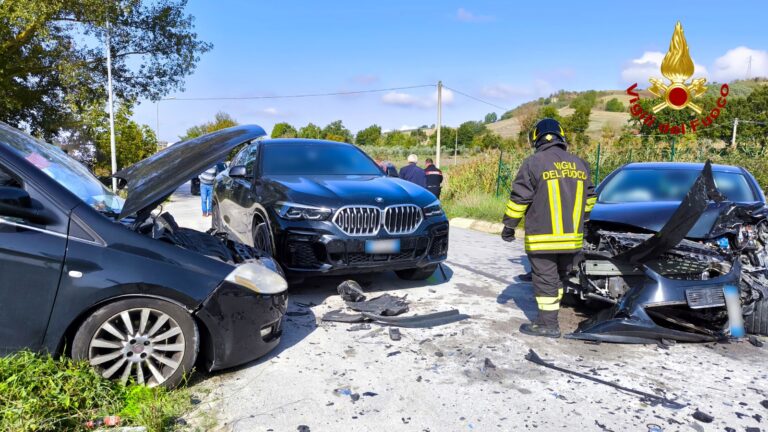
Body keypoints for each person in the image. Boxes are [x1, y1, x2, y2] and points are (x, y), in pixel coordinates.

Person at [501, 118, 596, 338]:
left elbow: (519, 199)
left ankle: (548, 324)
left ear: (536, 139)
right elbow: (590, 198)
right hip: (572, 240)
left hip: (543, 239)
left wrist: (509, 226)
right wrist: (583, 221)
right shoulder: (580, 164)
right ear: (561, 136)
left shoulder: (533, 163)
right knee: (558, 279)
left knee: (545, 280)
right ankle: (551, 316)